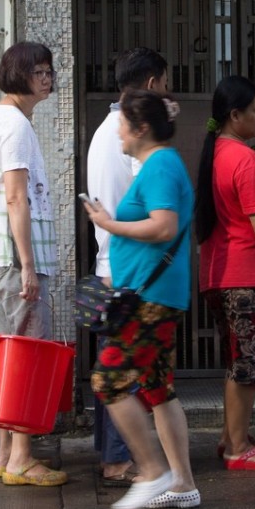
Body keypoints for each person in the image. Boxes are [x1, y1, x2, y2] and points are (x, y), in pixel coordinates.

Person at [82, 89, 199, 509]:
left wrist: (111, 224)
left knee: (108, 381)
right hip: (152, 293)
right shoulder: (158, 165)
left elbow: (164, 226)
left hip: (152, 297)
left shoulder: (161, 165)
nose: (119, 136)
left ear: (142, 128)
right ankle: (182, 482)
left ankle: (152, 471)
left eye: (123, 128)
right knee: (157, 388)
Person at [0, 41, 66, 487]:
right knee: (27, 353)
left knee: (15, 352)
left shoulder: (12, 121)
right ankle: (21, 458)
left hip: (12, 257)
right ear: (19, 74)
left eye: (50, 71)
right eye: (40, 72)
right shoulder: (13, 125)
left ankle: (8, 452)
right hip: (16, 258)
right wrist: (28, 264)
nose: (48, 78)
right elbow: (15, 196)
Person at [196, 75, 255, 472]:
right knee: (247, 365)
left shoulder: (217, 153)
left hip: (220, 275)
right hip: (248, 276)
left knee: (237, 361)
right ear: (235, 115)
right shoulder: (244, 159)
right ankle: (237, 447)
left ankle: (231, 436)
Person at [86, 47, 169, 486]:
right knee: (125, 370)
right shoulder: (129, 135)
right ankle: (120, 460)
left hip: (112, 262)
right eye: (166, 83)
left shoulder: (107, 130)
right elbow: (144, 206)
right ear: (153, 83)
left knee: (112, 368)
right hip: (128, 267)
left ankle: (113, 455)